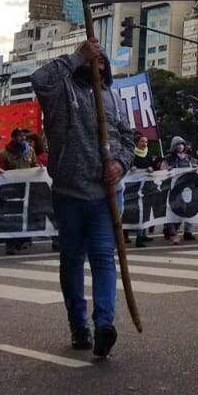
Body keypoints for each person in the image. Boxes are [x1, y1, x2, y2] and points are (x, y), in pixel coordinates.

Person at [33, 40, 135, 359]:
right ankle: (78, 324)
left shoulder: (113, 99)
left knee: (104, 257)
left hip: (104, 195)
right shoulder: (60, 92)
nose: (97, 63)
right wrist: (76, 56)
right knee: (73, 260)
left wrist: (119, 163)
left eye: (101, 60)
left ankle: (104, 323)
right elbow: (39, 79)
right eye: (92, 59)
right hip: (69, 194)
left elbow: (127, 139)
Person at [162, 137, 198, 244]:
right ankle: (172, 232)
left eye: (182, 144)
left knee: (188, 209)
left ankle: (188, 231)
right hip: (174, 188)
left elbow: (195, 168)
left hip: (187, 188)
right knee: (173, 210)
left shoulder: (189, 158)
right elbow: (162, 169)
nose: (180, 146)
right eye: (177, 144)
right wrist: (166, 169)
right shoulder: (169, 158)